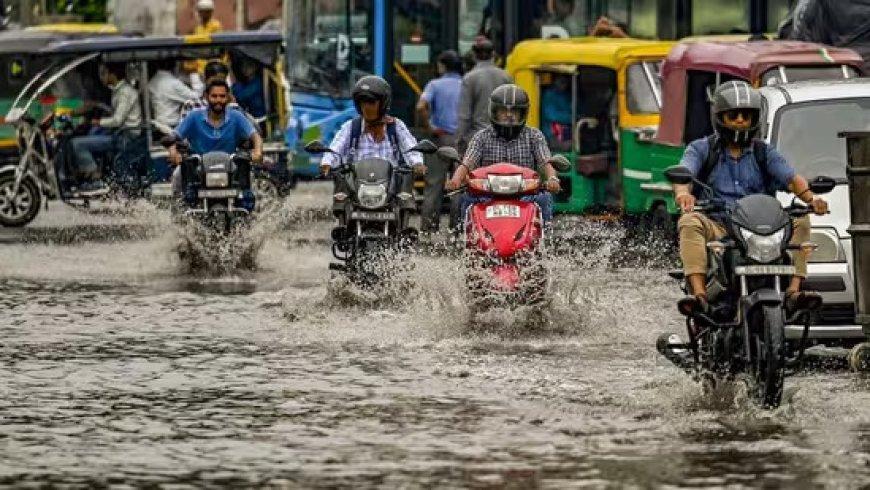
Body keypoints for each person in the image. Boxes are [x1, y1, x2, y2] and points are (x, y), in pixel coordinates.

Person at [673, 81, 829, 314]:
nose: (739, 121)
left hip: (760, 228)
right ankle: (699, 297)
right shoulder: (701, 149)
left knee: (801, 220)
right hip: (719, 226)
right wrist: (683, 195)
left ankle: (793, 292)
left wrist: (811, 200)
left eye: (745, 116)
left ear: (754, 119)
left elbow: (791, 178)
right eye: (733, 116)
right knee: (689, 222)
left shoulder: (764, 152)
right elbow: (684, 173)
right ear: (719, 118)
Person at [447, 84, 561, 225]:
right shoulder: (481, 137)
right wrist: (456, 180)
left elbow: (546, 161)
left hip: (524, 194)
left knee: (544, 198)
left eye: (514, 111)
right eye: (503, 111)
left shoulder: (534, 135)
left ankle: (545, 241)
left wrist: (552, 179)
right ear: (494, 112)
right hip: (487, 194)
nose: (509, 115)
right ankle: (461, 239)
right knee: (463, 199)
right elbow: (467, 162)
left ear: (522, 113)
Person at [320, 76, 425, 215]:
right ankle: (343, 224)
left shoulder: (395, 126)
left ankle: (403, 226)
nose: (367, 107)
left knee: (405, 189)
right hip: (358, 186)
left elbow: (411, 147)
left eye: (371, 102)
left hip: (390, 186)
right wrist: (326, 163)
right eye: (363, 103)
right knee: (341, 180)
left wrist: (417, 163)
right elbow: (335, 148)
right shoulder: (351, 127)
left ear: (382, 104)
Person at [168, 78, 263, 207]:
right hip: (197, 167)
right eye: (214, 96)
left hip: (230, 166)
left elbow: (255, 136)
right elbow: (174, 136)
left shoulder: (236, 116)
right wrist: (173, 152)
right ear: (206, 97)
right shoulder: (194, 116)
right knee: (177, 176)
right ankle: (178, 217)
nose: (218, 100)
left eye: (222, 96)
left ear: (228, 97)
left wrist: (257, 151)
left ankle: (250, 221)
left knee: (248, 190)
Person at [70, 62, 142, 194]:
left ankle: (95, 181)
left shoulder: (125, 92)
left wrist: (98, 122)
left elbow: (117, 120)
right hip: (120, 134)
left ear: (112, 75)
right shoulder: (118, 90)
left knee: (77, 144)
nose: (102, 77)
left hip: (126, 137)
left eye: (104, 73)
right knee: (92, 135)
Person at [416, 49, 462, 232]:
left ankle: (428, 228)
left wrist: (429, 127)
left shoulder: (434, 85)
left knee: (433, 185)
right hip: (460, 141)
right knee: (459, 185)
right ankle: (456, 229)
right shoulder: (466, 84)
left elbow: (421, 106)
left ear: (442, 66)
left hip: (439, 139)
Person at [456, 37, 512, 152]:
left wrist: (459, 141)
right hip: (503, 139)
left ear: (474, 55)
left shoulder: (470, 78)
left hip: (477, 140)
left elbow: (464, 116)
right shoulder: (506, 77)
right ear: (493, 54)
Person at [148, 59, 200, 128]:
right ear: (174, 65)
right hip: (171, 125)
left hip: (158, 123)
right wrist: (194, 74)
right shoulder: (173, 83)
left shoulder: (153, 80)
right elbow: (197, 97)